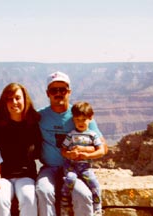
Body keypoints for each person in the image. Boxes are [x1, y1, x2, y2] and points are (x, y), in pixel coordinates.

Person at [35, 71, 108, 216]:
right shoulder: (39, 116)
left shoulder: (80, 115)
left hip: (76, 169)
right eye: (53, 90)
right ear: (47, 93)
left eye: (62, 89)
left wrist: (83, 152)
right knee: (43, 191)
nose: (58, 93)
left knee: (84, 195)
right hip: (50, 168)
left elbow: (104, 147)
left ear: (69, 92)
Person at [0, 82, 42, 216]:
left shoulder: (33, 125)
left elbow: (39, 151)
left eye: (17, 98)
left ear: (25, 99)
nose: (14, 102)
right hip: (1, 176)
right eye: (9, 99)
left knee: (29, 199)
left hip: (26, 175)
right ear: (4, 103)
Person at [60, 101, 105, 216]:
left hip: (85, 167)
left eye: (83, 120)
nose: (80, 123)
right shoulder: (71, 135)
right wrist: (70, 154)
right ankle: (64, 201)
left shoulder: (93, 135)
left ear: (90, 118)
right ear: (73, 119)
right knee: (70, 178)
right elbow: (63, 150)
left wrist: (88, 156)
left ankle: (97, 208)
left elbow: (101, 151)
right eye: (77, 120)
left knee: (94, 184)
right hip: (71, 166)